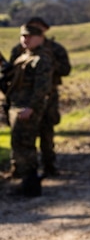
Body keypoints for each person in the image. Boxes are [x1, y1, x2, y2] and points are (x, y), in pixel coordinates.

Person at [9, 16, 70, 177]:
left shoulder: (50, 52)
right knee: (22, 138)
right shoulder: (21, 51)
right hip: (22, 99)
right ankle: (20, 170)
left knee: (45, 131)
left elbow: (65, 70)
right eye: (27, 32)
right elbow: (12, 75)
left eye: (36, 30)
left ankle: (46, 166)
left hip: (44, 97)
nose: (27, 37)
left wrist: (49, 65)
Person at [6, 22, 56, 197]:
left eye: (29, 36)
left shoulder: (42, 59)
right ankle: (22, 181)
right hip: (17, 107)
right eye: (23, 36)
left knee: (26, 147)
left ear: (40, 38)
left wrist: (31, 108)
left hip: (28, 109)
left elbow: (42, 89)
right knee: (18, 145)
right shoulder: (23, 57)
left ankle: (30, 186)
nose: (25, 39)